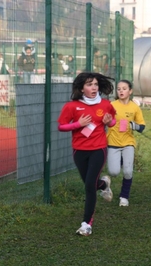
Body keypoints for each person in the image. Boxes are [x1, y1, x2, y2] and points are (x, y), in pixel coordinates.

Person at [57, 72, 116, 236]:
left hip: (99, 148)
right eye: (89, 84)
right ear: (82, 88)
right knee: (90, 184)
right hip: (79, 150)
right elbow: (61, 126)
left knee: (89, 185)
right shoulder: (71, 106)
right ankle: (104, 185)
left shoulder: (105, 104)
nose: (94, 87)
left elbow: (113, 121)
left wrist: (108, 121)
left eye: (96, 84)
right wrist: (78, 124)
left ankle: (86, 224)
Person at [106, 80, 146, 207]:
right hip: (113, 142)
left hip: (128, 142)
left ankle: (124, 197)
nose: (121, 91)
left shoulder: (135, 107)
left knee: (128, 172)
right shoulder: (111, 105)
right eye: (118, 89)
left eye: (124, 88)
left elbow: (142, 126)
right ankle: (109, 180)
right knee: (113, 172)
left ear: (130, 91)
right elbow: (104, 120)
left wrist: (134, 126)